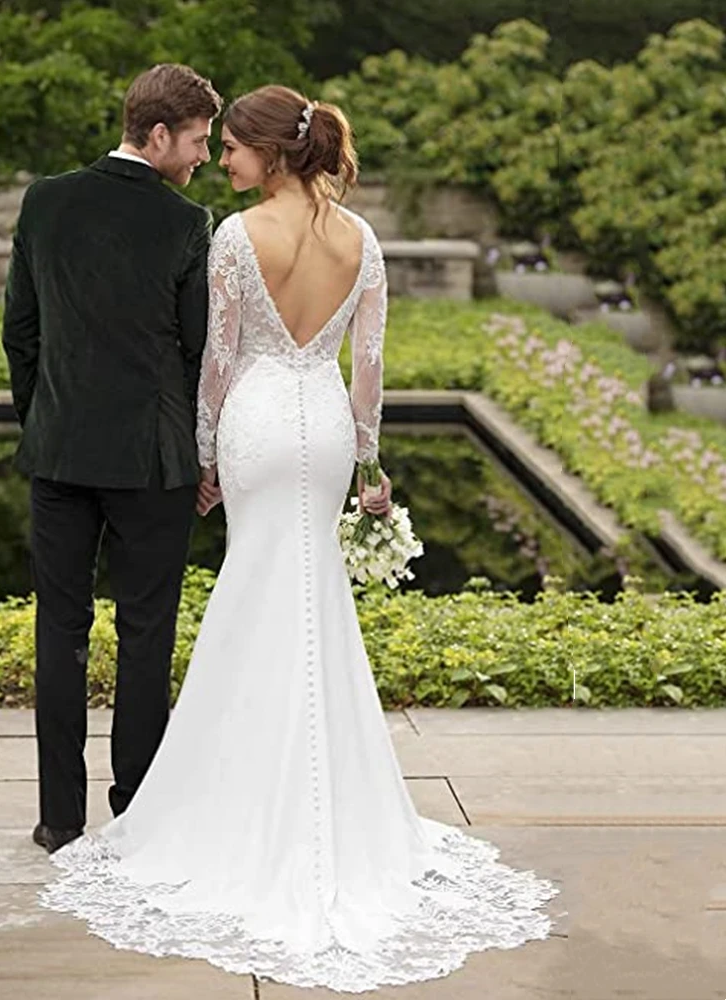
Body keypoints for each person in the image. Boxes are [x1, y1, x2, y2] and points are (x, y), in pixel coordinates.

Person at [40, 85, 560, 993]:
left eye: (234, 148)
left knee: (253, 592)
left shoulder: (238, 238)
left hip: (256, 429)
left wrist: (202, 456)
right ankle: (336, 805)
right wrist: (366, 464)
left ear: (271, 154)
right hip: (322, 427)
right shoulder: (363, 242)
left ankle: (236, 802)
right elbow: (369, 367)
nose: (226, 162)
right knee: (314, 600)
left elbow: (217, 359)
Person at [1, 64, 223, 856]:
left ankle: (60, 819)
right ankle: (136, 809)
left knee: (57, 631)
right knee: (145, 633)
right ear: (158, 135)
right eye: (197, 142)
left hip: (59, 455)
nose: (202, 157)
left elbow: (19, 334)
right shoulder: (185, 223)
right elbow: (198, 355)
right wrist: (205, 454)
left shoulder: (45, 200)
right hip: (153, 465)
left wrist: (47, 421)